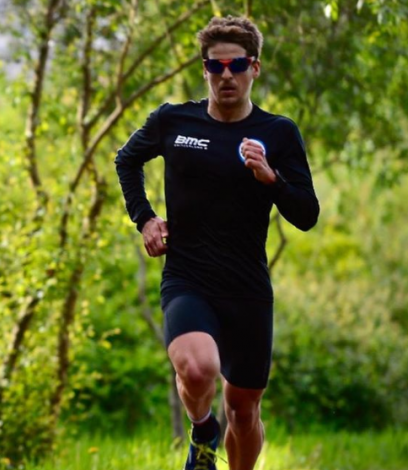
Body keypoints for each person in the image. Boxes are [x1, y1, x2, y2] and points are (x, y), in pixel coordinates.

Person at [114, 15, 319, 470]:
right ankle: (203, 430)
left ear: (255, 69)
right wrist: (145, 219)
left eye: (237, 65)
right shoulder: (173, 120)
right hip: (188, 276)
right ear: (204, 69)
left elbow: (307, 215)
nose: (226, 75)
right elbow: (126, 161)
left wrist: (272, 178)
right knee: (197, 367)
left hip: (247, 288)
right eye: (216, 67)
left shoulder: (278, 133)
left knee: (244, 414)